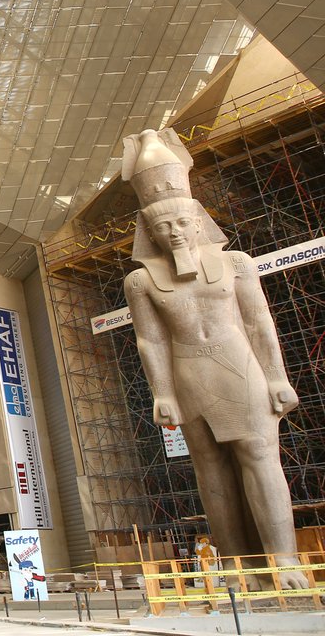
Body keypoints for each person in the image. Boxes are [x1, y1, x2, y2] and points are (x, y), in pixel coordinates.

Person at [121, 129, 308, 589]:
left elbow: (259, 324)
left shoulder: (238, 263)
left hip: (237, 363)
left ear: (199, 220)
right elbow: (152, 341)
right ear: (149, 229)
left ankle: (283, 563)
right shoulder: (140, 282)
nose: (175, 232)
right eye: (163, 226)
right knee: (210, 467)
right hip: (188, 372)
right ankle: (235, 565)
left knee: (260, 453)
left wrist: (277, 377)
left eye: (182, 222)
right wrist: (161, 391)